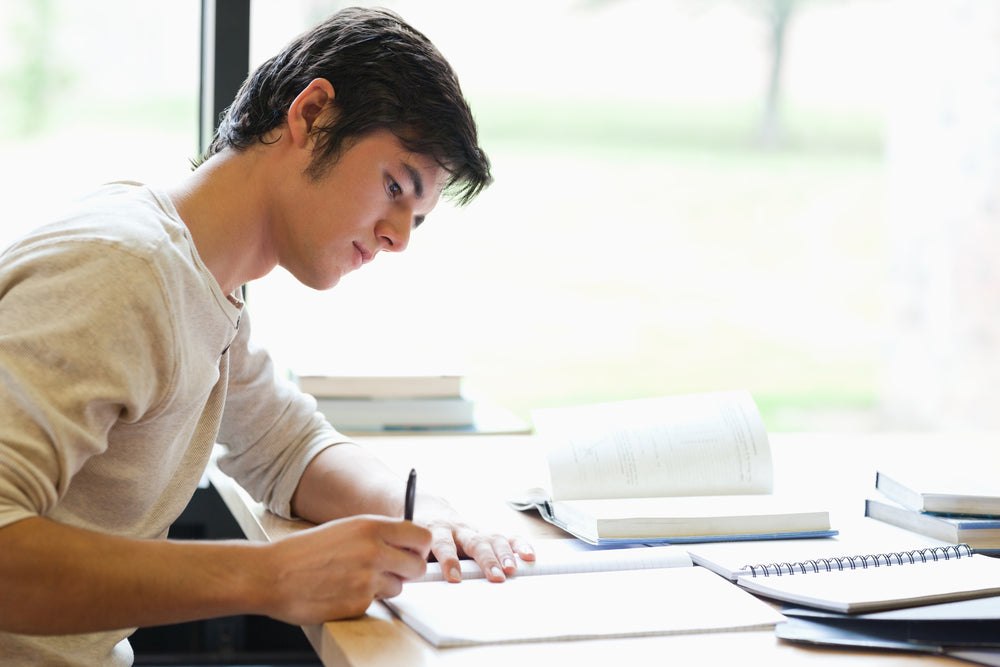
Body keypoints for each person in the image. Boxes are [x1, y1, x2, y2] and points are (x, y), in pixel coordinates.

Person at [0, 7, 533, 665]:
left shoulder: (206, 285)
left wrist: (430, 516)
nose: (396, 237)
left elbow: (287, 444)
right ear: (310, 116)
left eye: (415, 218)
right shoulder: (125, 273)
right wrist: (269, 575)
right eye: (395, 186)